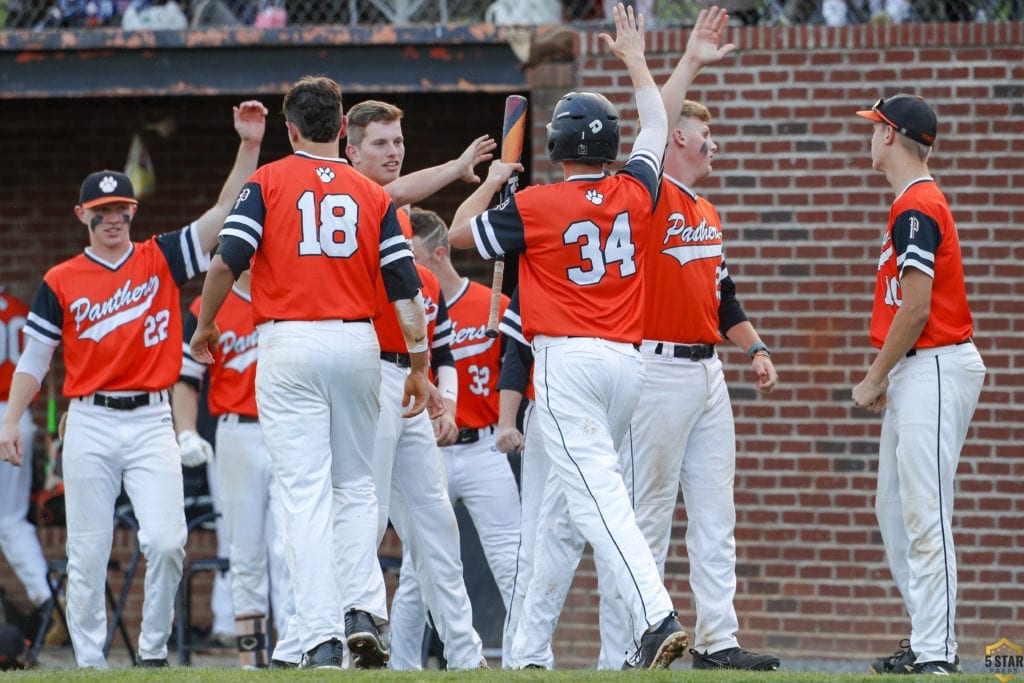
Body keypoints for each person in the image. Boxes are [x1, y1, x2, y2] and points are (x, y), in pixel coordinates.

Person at [449, 4, 690, 670]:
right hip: (624, 364)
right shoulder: (636, 189)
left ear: (557, 146)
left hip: (567, 363)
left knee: (597, 497)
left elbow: (458, 234)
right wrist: (636, 60)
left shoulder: (534, 205)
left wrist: (495, 183)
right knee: (548, 523)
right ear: (607, 145)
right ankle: (526, 655)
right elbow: (658, 126)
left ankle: (655, 615)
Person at [0, 100, 268, 669]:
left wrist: (249, 145)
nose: (112, 219)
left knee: (168, 542)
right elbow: (35, 358)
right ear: (82, 216)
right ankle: (92, 664)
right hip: (91, 418)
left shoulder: (160, 257)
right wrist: (8, 421)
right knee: (88, 551)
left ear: (132, 209)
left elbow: (223, 214)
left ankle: (150, 653)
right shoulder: (59, 279)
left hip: (152, 418)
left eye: (120, 208)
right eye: (101, 212)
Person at [189, 75, 435, 671]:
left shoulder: (268, 180)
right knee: (356, 489)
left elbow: (228, 258)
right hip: (357, 346)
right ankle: (361, 611)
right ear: (342, 125)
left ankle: (320, 636)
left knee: (304, 494)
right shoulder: (371, 194)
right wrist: (421, 363)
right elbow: (404, 287)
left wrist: (205, 323)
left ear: (291, 128)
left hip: (291, 341)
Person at [600, 94, 780, 671]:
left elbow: (723, 298)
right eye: (704, 134)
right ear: (677, 138)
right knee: (646, 513)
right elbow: (656, 119)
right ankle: (635, 645)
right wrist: (668, 79)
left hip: (707, 371)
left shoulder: (707, 209)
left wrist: (754, 347)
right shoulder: (650, 195)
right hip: (654, 368)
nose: (714, 145)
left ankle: (717, 642)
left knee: (714, 513)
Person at [344, 100, 489, 671]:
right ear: (351, 150)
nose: (393, 150)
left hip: (406, 373)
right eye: (379, 142)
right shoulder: (354, 195)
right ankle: (353, 632)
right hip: (366, 370)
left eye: (398, 140)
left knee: (434, 519)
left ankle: (463, 652)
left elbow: (404, 193)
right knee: (367, 511)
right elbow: (400, 189)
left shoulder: (396, 214)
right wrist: (456, 169)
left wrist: (432, 385)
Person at [852, 94, 985, 676]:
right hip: (919, 366)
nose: (870, 136)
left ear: (889, 135)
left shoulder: (916, 205)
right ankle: (930, 636)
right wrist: (891, 367)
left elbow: (917, 307)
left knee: (924, 514)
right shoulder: (911, 202)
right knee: (895, 509)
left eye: (874, 127)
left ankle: (937, 654)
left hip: (933, 364)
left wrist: (876, 373)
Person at [405, 208, 522, 661]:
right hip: (427, 447)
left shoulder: (493, 304)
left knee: (511, 563)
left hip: (484, 447)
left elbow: (516, 370)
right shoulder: (410, 306)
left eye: (411, 253)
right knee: (421, 573)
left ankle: (526, 660)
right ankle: (400, 665)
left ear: (436, 254)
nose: (400, 262)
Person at [172, 269, 297, 669]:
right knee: (243, 550)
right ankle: (253, 661)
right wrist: (186, 432)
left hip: (289, 428)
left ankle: (294, 652)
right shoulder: (208, 305)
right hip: (235, 432)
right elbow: (185, 380)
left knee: (291, 546)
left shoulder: (291, 291)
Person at [0, 287, 59, 640]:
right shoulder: (20, 306)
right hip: (21, 417)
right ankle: (50, 599)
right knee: (10, 517)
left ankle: (47, 599)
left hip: (4, 416)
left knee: (8, 520)